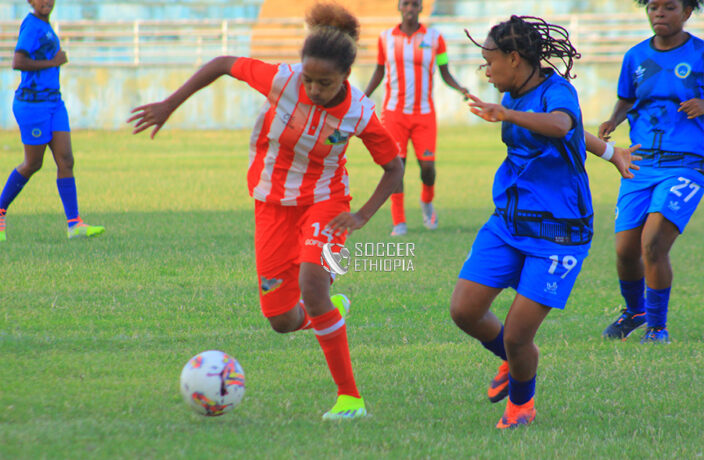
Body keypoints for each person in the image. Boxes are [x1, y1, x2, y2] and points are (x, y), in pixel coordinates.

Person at [128, 3, 403, 420]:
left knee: (312, 287)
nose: (313, 89)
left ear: (346, 76)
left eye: (325, 83)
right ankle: (328, 311)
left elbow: (393, 168)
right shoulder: (282, 80)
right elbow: (223, 63)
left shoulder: (360, 112)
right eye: (308, 79)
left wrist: (363, 214)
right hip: (272, 203)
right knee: (281, 320)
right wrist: (169, 104)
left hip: (325, 200)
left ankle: (350, 398)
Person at [451, 16, 641, 429]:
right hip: (509, 221)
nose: (486, 71)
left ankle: (522, 405)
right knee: (464, 309)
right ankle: (513, 359)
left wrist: (506, 114)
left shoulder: (557, 91)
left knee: (518, 334)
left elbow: (561, 125)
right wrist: (612, 153)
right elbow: (575, 135)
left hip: (560, 232)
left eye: (490, 62)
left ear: (514, 58)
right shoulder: (515, 93)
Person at [599, 0, 704, 344]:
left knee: (654, 242)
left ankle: (658, 329)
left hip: (686, 163)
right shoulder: (635, 56)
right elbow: (628, 99)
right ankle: (635, 312)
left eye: (669, 7)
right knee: (625, 250)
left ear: (687, 12)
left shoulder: (700, 54)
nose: (659, 13)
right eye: (653, 7)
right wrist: (613, 120)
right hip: (641, 163)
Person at [0, 0, 105, 242]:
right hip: (33, 104)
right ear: (30, 1)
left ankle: (74, 224)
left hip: (54, 102)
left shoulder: (46, 25)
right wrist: (53, 62)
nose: (46, 1)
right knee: (33, 164)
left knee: (66, 160)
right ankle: (0, 209)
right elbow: (18, 62)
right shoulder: (32, 26)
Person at [364, 0, 469, 236]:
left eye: (415, 4)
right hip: (394, 113)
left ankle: (427, 201)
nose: (410, 8)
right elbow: (379, 70)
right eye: (406, 4)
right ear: (399, 7)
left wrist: (460, 88)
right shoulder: (385, 38)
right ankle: (399, 221)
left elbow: (444, 70)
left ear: (421, 8)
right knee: (396, 166)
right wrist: (364, 96)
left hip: (424, 114)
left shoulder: (435, 38)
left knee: (428, 168)